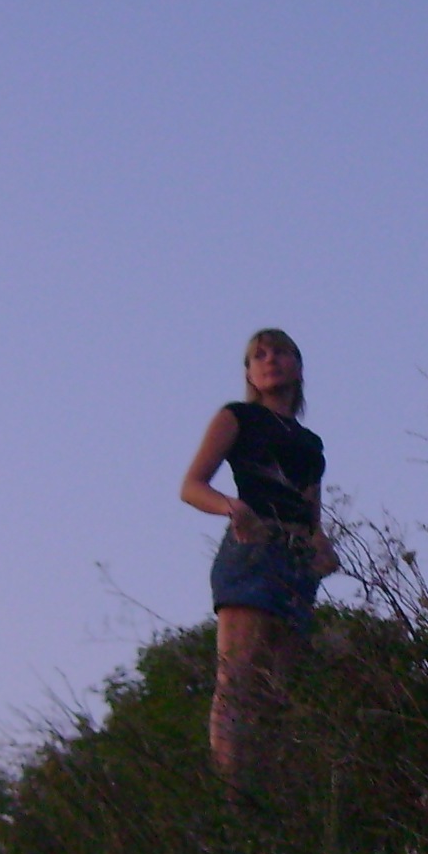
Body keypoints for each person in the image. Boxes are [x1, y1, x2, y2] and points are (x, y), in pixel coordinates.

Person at [181, 329, 336, 780]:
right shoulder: (238, 417)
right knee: (238, 678)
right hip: (252, 551)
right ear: (249, 372)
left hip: (295, 560)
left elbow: (310, 508)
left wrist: (321, 546)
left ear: (298, 367)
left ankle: (267, 790)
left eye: (281, 352)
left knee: (277, 690)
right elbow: (191, 486)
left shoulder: (310, 443)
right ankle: (231, 795)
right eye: (259, 355)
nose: (270, 360)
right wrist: (232, 507)